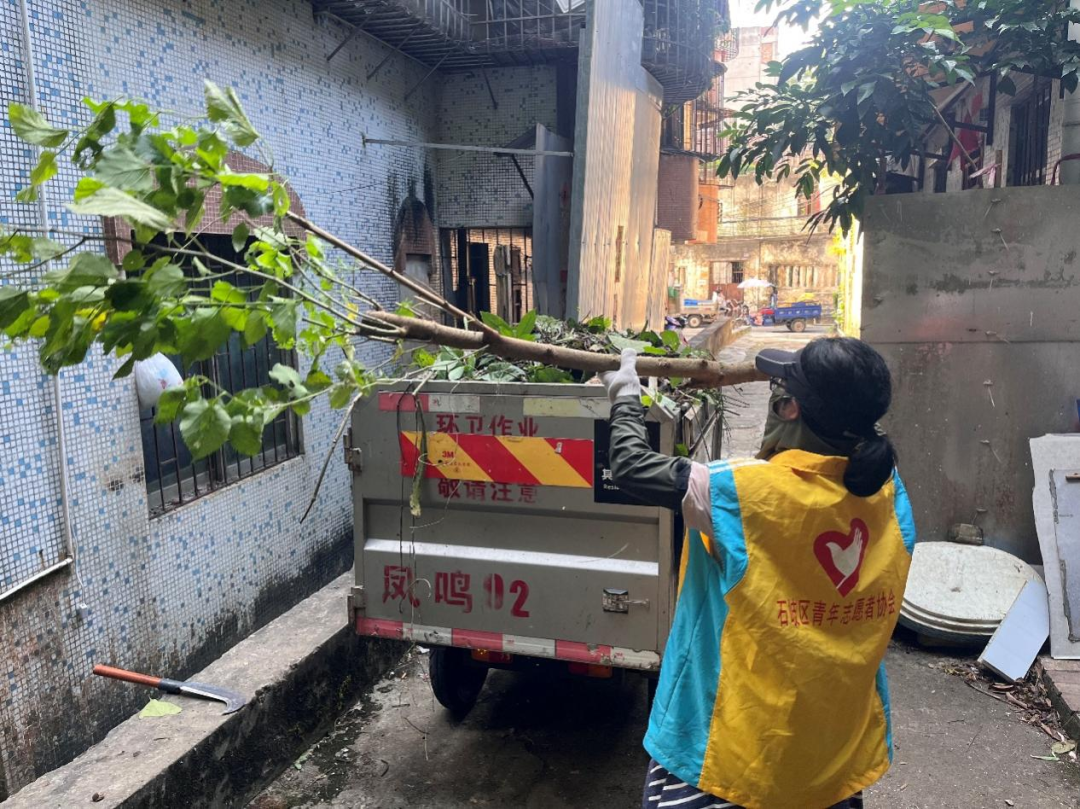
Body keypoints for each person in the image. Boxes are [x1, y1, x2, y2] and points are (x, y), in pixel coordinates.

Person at [600, 337, 915, 809]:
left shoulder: (737, 492)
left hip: (730, 758)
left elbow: (629, 466)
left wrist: (626, 397)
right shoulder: (891, 495)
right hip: (833, 761)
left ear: (789, 408)